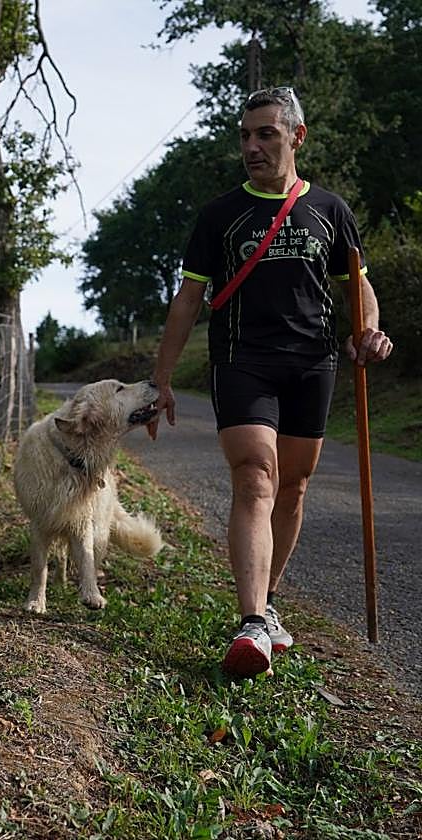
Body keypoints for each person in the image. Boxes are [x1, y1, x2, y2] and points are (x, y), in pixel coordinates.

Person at [149, 86, 393, 678]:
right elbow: (188, 301)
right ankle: (252, 620)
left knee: (295, 486)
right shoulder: (219, 215)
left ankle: (268, 606)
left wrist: (372, 331)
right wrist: (161, 380)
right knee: (257, 475)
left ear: (296, 138)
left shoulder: (329, 210)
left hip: (313, 363)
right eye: (245, 135)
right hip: (242, 359)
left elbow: (356, 284)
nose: (252, 146)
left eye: (266, 134)